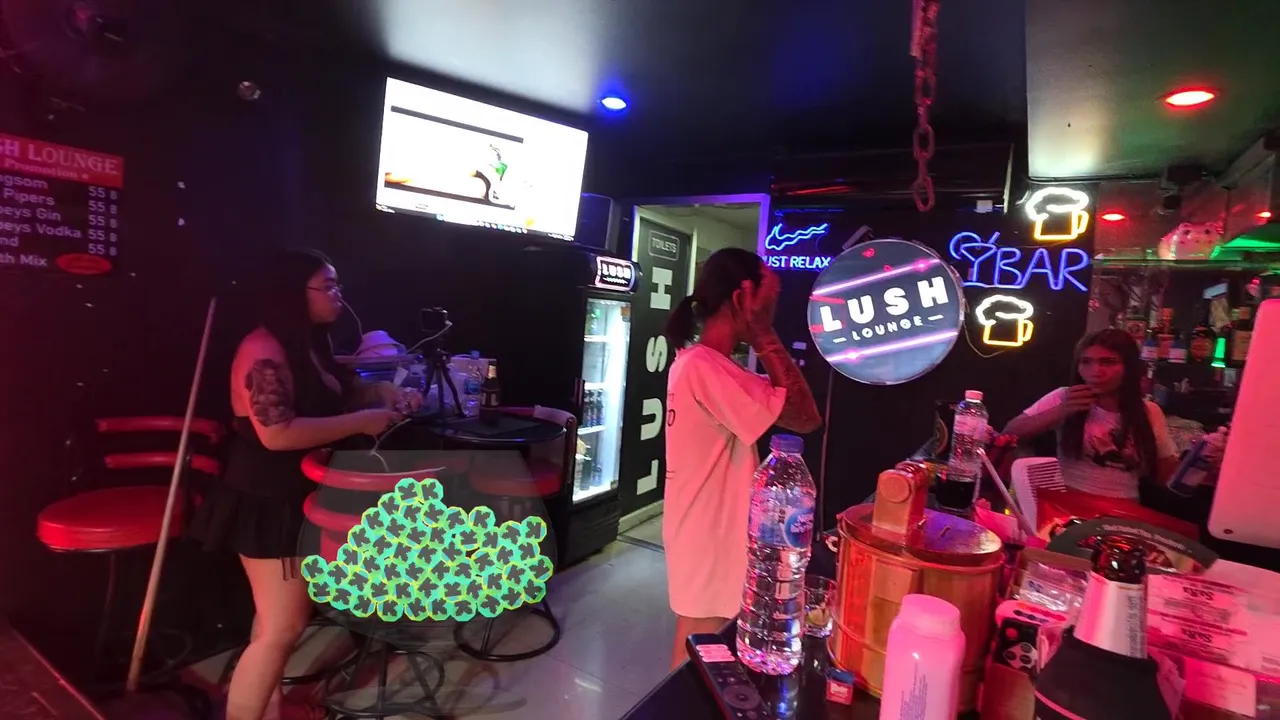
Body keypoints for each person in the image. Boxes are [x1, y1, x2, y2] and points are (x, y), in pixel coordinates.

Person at [189, 249, 419, 720]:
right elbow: (276, 434)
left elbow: (332, 392)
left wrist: (381, 392)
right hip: (267, 498)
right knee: (282, 629)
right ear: (292, 292)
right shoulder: (263, 349)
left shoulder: (305, 344)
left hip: (293, 495)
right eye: (328, 286)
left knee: (272, 623)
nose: (339, 295)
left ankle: (267, 711)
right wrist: (363, 420)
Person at [661, 248, 822, 669]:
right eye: (771, 295)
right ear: (741, 298)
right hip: (708, 537)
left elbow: (800, 413)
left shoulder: (705, 365)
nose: (775, 306)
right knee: (699, 650)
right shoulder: (704, 367)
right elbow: (805, 416)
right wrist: (764, 334)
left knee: (703, 646)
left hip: (702, 531)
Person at [1004, 327, 1179, 501]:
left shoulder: (1149, 411)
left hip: (1124, 507)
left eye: (1108, 362)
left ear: (1129, 368)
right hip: (1069, 502)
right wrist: (1061, 411)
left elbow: (1165, 476)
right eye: (1086, 362)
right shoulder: (1065, 396)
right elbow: (1009, 433)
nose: (1095, 371)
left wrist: (1188, 464)